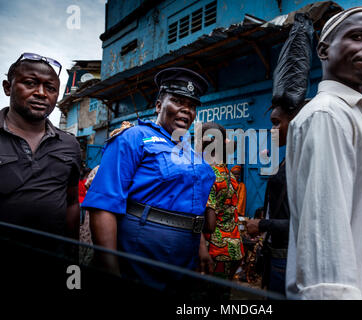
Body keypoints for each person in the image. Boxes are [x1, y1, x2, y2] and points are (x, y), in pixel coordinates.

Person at [285, 7, 362, 300]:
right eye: (359, 36)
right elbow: (325, 240)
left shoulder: (353, 117)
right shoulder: (328, 115)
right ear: (323, 50)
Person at [82, 67, 216, 291]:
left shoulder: (190, 151)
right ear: (158, 106)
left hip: (186, 255)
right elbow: (103, 205)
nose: (186, 109)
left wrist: (201, 245)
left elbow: (192, 204)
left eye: (191, 105)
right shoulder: (135, 137)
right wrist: (111, 269)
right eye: (177, 101)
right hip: (141, 252)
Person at [0, 52, 81, 240]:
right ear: (7, 87)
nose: (41, 93)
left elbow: (71, 203)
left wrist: (71, 254)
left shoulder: (69, 144)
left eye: (50, 88)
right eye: (30, 83)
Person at [246, 100, 307, 296]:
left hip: (289, 258)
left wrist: (263, 224)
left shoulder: (304, 162)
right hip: (277, 255)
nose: (272, 129)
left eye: (276, 123)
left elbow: (306, 224)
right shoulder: (289, 158)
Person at [198, 122, 244, 298]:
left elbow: (209, 224)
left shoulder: (208, 174)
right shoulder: (229, 175)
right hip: (233, 248)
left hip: (214, 251)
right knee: (223, 294)